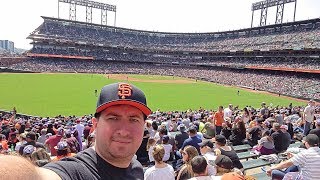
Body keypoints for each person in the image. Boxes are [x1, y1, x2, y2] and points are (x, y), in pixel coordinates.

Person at [38, 82, 152, 179]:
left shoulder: (136, 168)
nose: (123, 131)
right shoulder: (74, 171)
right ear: (95, 125)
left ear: (144, 125)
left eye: (133, 119)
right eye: (113, 118)